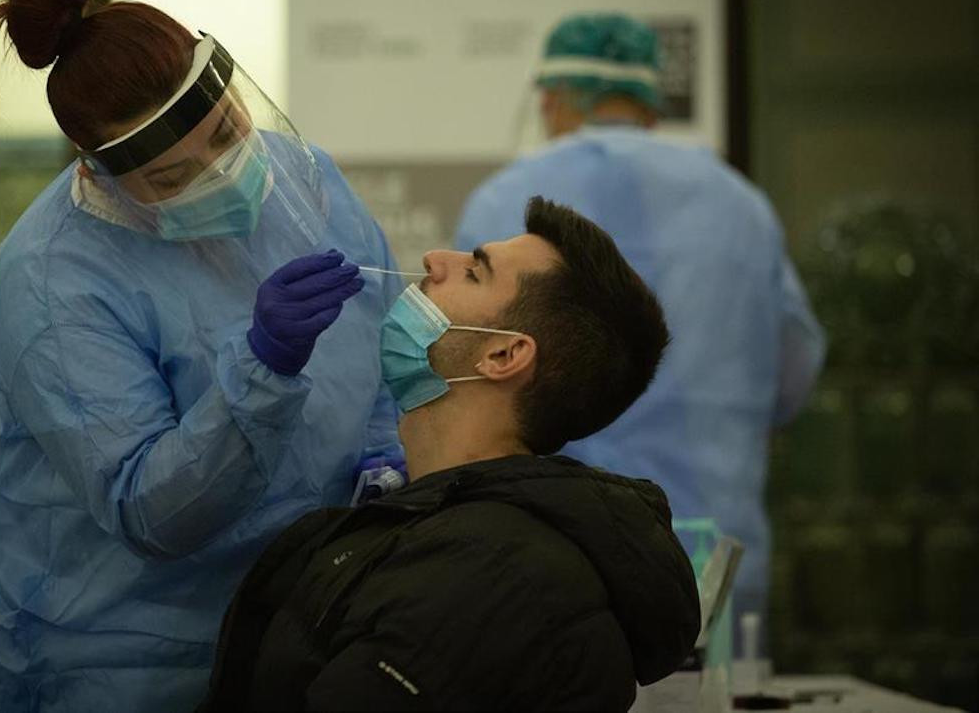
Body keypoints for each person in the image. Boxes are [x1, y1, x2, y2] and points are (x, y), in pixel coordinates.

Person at [0, 0, 403, 713]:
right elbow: (150, 513)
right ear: (98, 174)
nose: (223, 176)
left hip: (305, 629)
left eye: (227, 132)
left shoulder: (300, 175)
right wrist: (263, 370)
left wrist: (389, 456)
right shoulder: (49, 285)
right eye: (170, 179)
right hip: (123, 661)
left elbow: (382, 346)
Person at [201, 197, 702, 712]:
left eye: (473, 271)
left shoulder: (493, 575)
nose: (436, 258)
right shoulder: (450, 535)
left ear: (503, 355)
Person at [455, 13, 826, 640]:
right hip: (718, 560)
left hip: (559, 559)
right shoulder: (740, 204)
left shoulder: (507, 203)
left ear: (551, 98)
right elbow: (795, 371)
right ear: (650, 102)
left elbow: (468, 373)